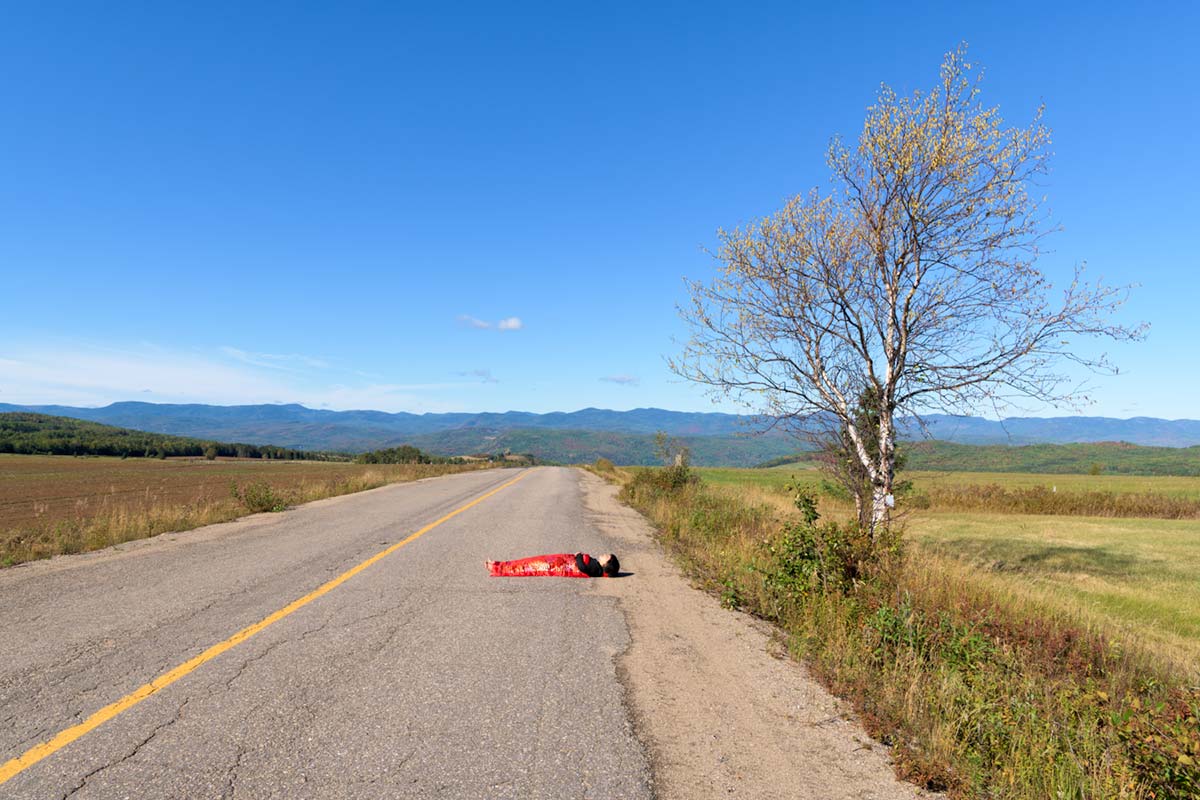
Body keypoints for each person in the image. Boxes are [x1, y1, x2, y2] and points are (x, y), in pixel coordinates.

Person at [485, 552, 620, 578]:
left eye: (606, 556)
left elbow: (582, 567)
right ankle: (499, 565)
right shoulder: (596, 565)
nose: (603, 554)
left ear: (606, 564)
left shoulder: (596, 569)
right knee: (530, 562)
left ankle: (498, 568)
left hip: (558, 566)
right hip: (561, 561)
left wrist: (579, 556)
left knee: (531, 565)